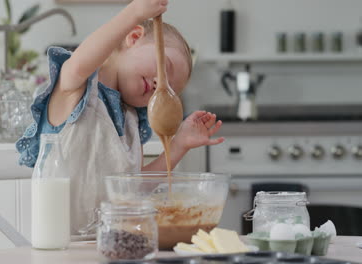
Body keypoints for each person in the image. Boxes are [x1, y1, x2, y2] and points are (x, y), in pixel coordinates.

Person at [16, 0, 225, 235]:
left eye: (168, 91)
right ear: (133, 37)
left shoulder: (131, 121)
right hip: (60, 245)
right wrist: (133, 13)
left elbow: (133, 188)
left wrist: (179, 145)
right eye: (164, 68)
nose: (159, 85)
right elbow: (78, 66)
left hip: (110, 243)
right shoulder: (77, 88)